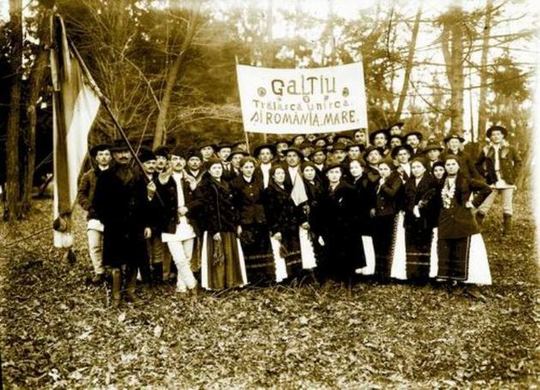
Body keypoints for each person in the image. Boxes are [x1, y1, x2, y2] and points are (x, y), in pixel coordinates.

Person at [92, 140, 154, 307]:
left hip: (136, 226)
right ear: (113, 155)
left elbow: (144, 202)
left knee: (134, 260)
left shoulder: (138, 175)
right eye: (119, 152)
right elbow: (97, 203)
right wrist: (109, 220)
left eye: (126, 151)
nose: (123, 155)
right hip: (115, 226)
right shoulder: (105, 177)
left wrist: (146, 224)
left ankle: (131, 291)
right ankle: (116, 295)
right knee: (116, 263)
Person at [192, 159, 247, 290]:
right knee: (217, 256)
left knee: (230, 255)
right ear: (209, 171)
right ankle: (217, 285)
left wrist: (237, 223)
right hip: (215, 227)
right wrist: (214, 230)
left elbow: (235, 206)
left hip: (229, 226)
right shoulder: (205, 186)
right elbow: (207, 210)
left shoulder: (227, 184)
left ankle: (230, 282)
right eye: (215, 168)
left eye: (219, 168)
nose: (218, 170)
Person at [436, 155, 492, 285]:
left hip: (462, 218)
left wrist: (473, 203)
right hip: (445, 219)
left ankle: (460, 278)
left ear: (458, 166)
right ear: (444, 167)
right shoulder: (440, 182)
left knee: (460, 247)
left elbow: (486, 189)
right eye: (448, 165)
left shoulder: (465, 180)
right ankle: (446, 277)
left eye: (453, 164)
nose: (450, 167)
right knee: (445, 247)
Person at [155, 145, 199, 294]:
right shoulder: (162, 179)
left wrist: (187, 208)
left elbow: (200, 200)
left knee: (187, 258)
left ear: (185, 162)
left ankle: (181, 287)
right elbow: (158, 203)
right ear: (169, 162)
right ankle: (193, 284)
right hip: (170, 224)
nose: (178, 162)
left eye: (181, 159)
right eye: (175, 159)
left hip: (188, 224)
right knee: (179, 259)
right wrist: (175, 210)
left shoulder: (190, 180)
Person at [231, 157, 275, 285]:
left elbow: (264, 202)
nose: (249, 170)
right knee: (249, 249)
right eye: (246, 167)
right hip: (246, 221)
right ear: (241, 169)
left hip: (260, 220)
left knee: (262, 248)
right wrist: (238, 223)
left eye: (251, 167)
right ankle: (251, 279)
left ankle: (264, 279)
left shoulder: (259, 182)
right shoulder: (235, 183)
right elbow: (235, 206)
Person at [318, 163, 366, 283]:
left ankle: (349, 282)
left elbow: (357, 211)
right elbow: (321, 213)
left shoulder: (349, 189)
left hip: (347, 230)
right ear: (327, 175)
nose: (334, 175)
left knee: (348, 255)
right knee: (332, 254)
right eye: (331, 173)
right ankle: (336, 279)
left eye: (337, 172)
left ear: (341, 174)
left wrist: (351, 226)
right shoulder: (324, 191)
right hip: (331, 229)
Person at [475, 125, 522, 234]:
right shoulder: (486, 149)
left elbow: (518, 162)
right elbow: (477, 164)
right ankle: (476, 228)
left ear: (502, 136)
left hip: (507, 181)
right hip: (492, 180)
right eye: (493, 135)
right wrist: (485, 174)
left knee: (507, 206)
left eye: (498, 134)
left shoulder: (510, 148)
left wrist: (514, 174)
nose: (495, 137)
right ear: (490, 137)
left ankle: (507, 232)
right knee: (485, 205)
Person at [77, 143, 111, 284]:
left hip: (113, 217)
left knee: (111, 246)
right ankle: (99, 272)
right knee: (94, 245)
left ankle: (112, 271)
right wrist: (89, 207)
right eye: (101, 155)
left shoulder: (116, 174)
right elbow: (81, 194)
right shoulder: (89, 175)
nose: (104, 157)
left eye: (106, 154)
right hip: (95, 217)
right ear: (96, 158)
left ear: (111, 157)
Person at [263, 165, 303, 281]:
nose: (281, 176)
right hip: (279, 227)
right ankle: (283, 278)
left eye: (282, 173)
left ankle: (295, 277)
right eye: (278, 174)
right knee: (281, 253)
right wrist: (275, 229)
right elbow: (269, 212)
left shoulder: (289, 188)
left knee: (292, 251)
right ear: (273, 176)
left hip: (290, 226)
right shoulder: (269, 191)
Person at [403, 157, 438, 283]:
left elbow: (434, 200)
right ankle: (412, 275)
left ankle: (424, 276)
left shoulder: (431, 181)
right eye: (413, 167)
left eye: (418, 167)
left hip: (425, 220)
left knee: (424, 246)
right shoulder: (409, 182)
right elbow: (404, 199)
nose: (416, 170)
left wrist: (422, 207)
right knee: (411, 246)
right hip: (410, 219)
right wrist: (411, 208)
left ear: (424, 168)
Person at [369, 160, 402, 282]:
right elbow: (374, 196)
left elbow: (392, 193)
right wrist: (372, 207)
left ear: (391, 170)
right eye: (380, 169)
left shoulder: (396, 179)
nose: (382, 172)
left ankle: (386, 275)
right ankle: (377, 273)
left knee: (386, 245)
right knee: (378, 244)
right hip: (379, 216)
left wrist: (383, 185)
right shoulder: (378, 180)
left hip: (389, 215)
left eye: (385, 169)